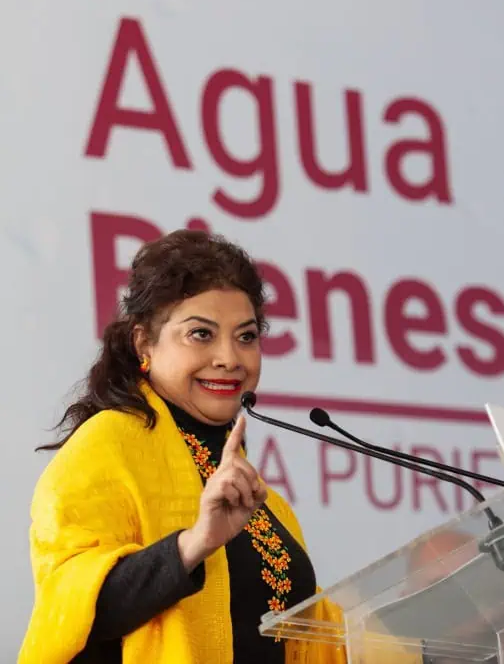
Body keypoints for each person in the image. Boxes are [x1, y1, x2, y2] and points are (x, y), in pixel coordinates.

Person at [18, 229, 346, 664]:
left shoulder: (268, 504)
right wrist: (194, 544)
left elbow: (322, 635)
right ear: (143, 344)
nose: (230, 357)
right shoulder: (107, 443)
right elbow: (69, 611)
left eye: (246, 337)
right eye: (201, 334)